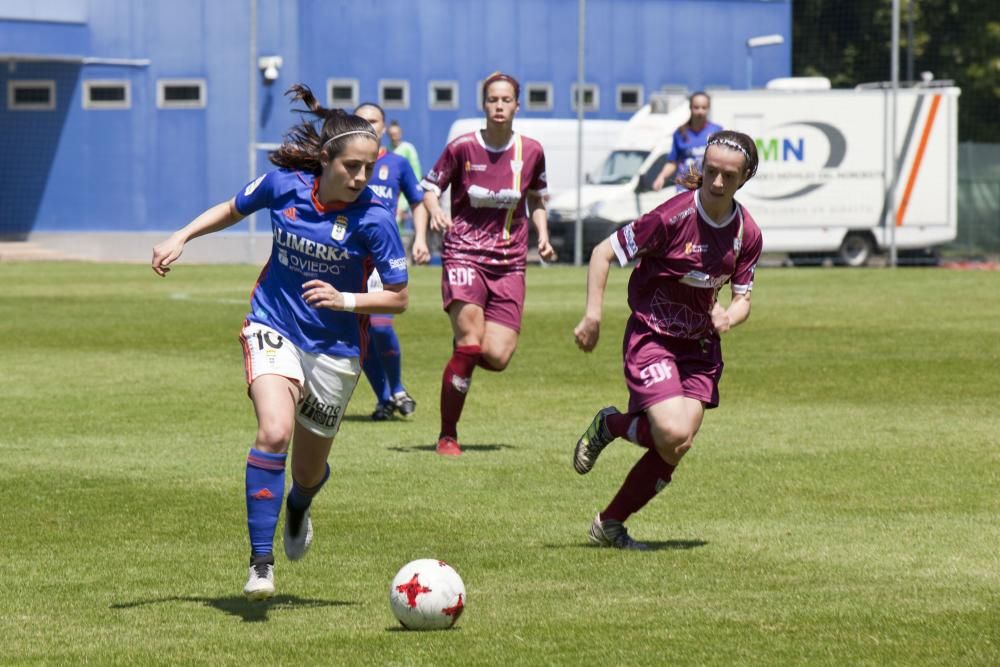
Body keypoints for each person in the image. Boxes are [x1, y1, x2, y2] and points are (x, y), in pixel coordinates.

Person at [151, 84, 409, 599]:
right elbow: (231, 208)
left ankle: (299, 504)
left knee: (308, 472)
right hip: (272, 325)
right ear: (325, 159)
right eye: (351, 167)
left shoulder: (375, 219)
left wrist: (347, 300)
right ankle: (261, 562)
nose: (361, 177)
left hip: (335, 354)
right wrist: (181, 236)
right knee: (274, 432)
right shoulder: (283, 186)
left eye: (368, 168)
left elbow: (398, 298)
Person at [572, 130, 762, 549]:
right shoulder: (670, 217)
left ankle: (610, 524)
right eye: (710, 172)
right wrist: (593, 315)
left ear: (744, 178)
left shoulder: (746, 233)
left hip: (700, 349)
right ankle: (611, 424)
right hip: (653, 337)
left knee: (675, 446)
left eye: (727, 177)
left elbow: (743, 298)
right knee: (672, 432)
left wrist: (730, 316)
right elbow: (603, 253)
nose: (716, 183)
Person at [412, 71, 556, 456]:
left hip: (510, 261)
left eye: (506, 100)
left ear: (516, 105)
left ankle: (464, 352)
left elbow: (537, 199)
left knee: (497, 356)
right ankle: (447, 435)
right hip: (463, 253)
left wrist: (542, 235)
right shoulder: (461, 148)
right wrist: (434, 215)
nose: (499, 106)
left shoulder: (532, 151)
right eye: (493, 99)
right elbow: (429, 189)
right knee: (471, 344)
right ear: (484, 103)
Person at [354, 103, 423, 420]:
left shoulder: (397, 163)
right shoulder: (344, 162)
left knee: (381, 326)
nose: (368, 125)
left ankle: (395, 387)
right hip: (350, 257)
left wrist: (420, 237)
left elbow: (418, 201)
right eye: (361, 121)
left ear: (384, 127)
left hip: (382, 257)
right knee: (362, 333)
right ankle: (385, 397)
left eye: (373, 120)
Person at [651, 92, 722, 192]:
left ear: (708, 108)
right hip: (685, 187)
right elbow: (673, 162)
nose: (700, 111)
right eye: (696, 107)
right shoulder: (680, 132)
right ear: (690, 107)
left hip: (707, 187)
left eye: (704, 107)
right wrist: (661, 177)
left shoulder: (717, 131)